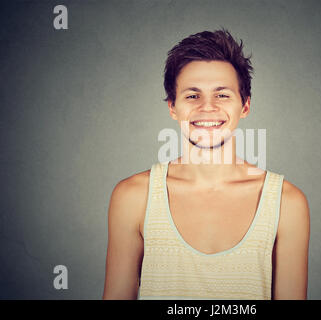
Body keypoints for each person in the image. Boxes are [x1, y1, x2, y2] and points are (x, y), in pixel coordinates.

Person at [102, 29, 310, 300]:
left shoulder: (287, 202)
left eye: (222, 95)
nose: (207, 107)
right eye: (192, 95)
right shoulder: (133, 197)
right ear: (172, 107)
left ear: (245, 106)